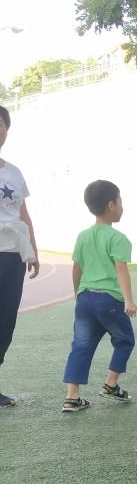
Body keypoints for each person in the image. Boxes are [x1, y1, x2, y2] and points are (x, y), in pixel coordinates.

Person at [61, 180, 137, 413]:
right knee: (125, 341)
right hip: (110, 301)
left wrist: (77, 293)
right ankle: (110, 385)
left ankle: (72, 397)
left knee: (80, 346)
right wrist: (129, 300)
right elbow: (121, 270)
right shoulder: (118, 238)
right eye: (121, 201)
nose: (122, 206)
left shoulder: (83, 236)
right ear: (111, 205)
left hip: (85, 298)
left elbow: (77, 268)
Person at [0, 104, 39, 407]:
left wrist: (33, 251)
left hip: (13, 255)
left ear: (7, 130)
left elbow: (24, 215)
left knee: (5, 323)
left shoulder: (14, 172)